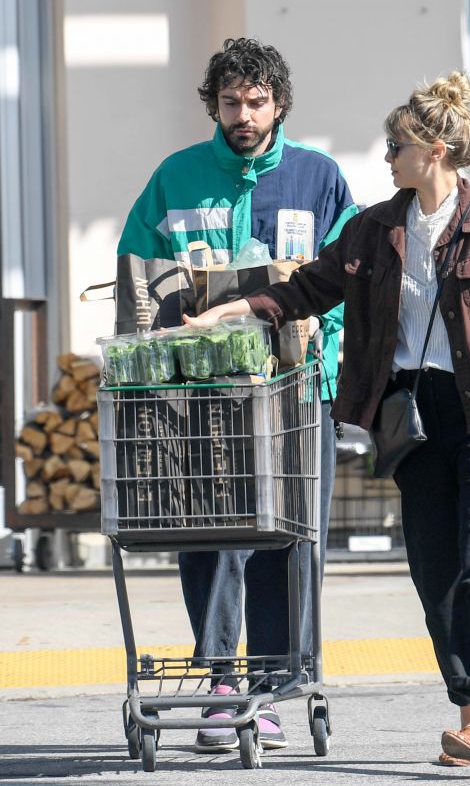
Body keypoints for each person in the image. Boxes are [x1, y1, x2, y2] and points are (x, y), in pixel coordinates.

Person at [185, 70, 470, 777]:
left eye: (396, 146)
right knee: (433, 570)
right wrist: (230, 310)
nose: (385, 159)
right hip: (410, 413)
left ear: (433, 149)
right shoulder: (374, 228)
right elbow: (306, 290)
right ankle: (468, 702)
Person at [116, 37, 356, 752]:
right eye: (230, 103)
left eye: (255, 102)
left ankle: (277, 683)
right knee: (212, 535)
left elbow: (352, 273)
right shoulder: (177, 176)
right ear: (213, 106)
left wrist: (323, 330)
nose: (243, 115)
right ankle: (223, 680)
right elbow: (136, 271)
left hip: (295, 389)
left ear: (278, 104)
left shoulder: (319, 177)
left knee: (289, 536)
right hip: (201, 397)